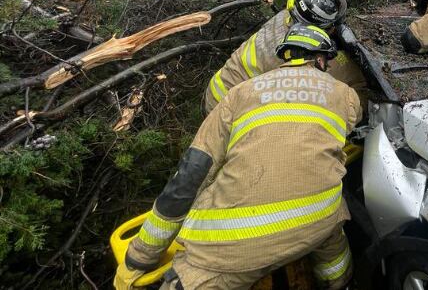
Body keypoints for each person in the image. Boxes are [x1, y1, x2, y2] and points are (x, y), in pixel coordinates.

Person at [115, 24, 362, 290]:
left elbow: (192, 172)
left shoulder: (240, 93)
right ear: (322, 59)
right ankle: (341, 281)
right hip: (317, 220)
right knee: (332, 232)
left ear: (286, 55)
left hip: (231, 248)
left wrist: (140, 256)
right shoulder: (345, 95)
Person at [204, 0, 366, 113]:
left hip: (220, 88)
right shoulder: (291, 52)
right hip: (228, 109)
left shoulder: (286, 16)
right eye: (331, 27)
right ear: (312, 30)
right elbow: (336, 75)